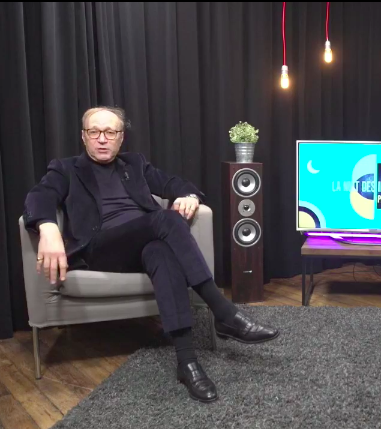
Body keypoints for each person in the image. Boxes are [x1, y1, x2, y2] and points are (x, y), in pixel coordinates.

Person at [23, 106, 279, 403]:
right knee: (166, 219)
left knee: (161, 253)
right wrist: (47, 227)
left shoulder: (135, 164)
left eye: (110, 132)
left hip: (144, 244)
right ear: (84, 136)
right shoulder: (66, 168)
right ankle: (223, 312)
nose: (102, 139)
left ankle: (187, 363)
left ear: (121, 138)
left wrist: (189, 195)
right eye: (95, 132)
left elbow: (173, 184)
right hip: (101, 248)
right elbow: (39, 196)